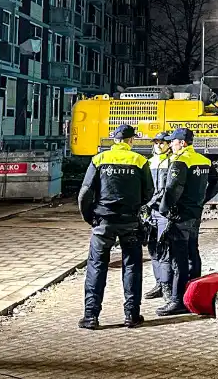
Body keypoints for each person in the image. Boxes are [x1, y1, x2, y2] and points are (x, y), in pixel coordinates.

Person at [77, 124, 153, 329]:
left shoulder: (99, 159)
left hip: (103, 223)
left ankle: (91, 317)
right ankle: (132, 315)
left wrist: (90, 217)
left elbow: (85, 193)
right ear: (131, 141)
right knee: (132, 267)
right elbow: (149, 193)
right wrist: (134, 206)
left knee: (96, 267)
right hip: (129, 222)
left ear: (115, 140)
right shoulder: (140, 160)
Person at [154, 127, 218, 316]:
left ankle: (177, 300)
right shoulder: (204, 160)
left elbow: (173, 188)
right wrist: (202, 200)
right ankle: (195, 294)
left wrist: (164, 209)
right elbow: (217, 181)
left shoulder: (180, 160)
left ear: (182, 143)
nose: (171, 145)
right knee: (193, 252)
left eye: (173, 142)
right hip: (195, 214)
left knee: (178, 259)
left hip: (180, 215)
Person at [142, 131, 173, 300]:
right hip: (151, 212)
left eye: (162, 143)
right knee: (153, 248)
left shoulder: (172, 162)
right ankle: (160, 284)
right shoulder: (149, 163)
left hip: (163, 212)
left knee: (164, 249)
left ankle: (167, 287)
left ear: (168, 144)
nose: (159, 146)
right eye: (156, 143)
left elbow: (166, 190)